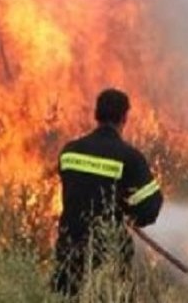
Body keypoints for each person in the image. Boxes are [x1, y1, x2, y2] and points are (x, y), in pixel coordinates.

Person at [51, 88, 164, 297]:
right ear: (124, 118)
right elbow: (151, 206)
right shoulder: (129, 157)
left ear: (97, 114)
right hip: (107, 255)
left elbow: (77, 189)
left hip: (69, 250)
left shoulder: (69, 151)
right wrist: (129, 212)